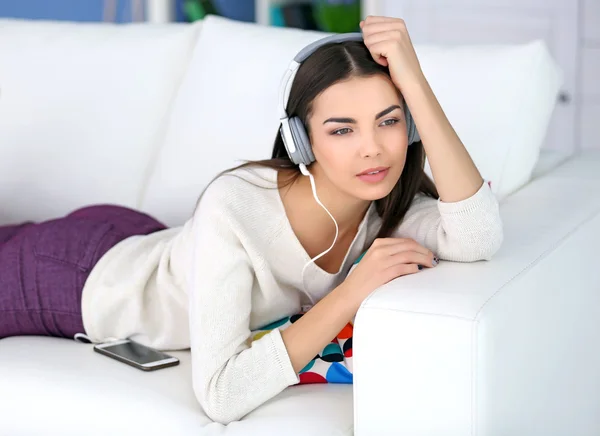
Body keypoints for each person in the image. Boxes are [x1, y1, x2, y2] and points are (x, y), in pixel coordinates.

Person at [0, 16, 503, 424]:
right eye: (341, 129)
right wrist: (351, 291)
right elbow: (221, 394)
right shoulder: (236, 203)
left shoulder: (389, 207)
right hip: (77, 277)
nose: (372, 148)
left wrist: (415, 84)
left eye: (390, 120)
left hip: (147, 239)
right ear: (302, 141)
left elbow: (478, 235)